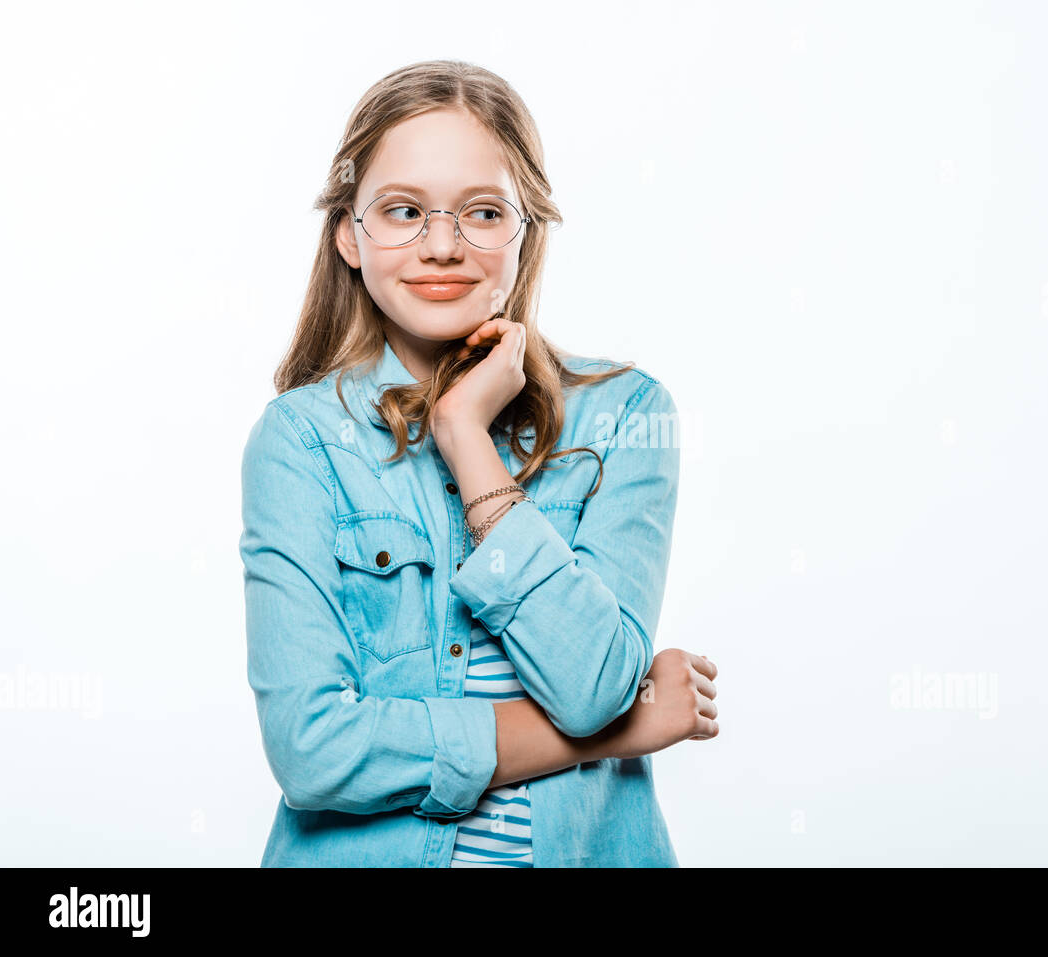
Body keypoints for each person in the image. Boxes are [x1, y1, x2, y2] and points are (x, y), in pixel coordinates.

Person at [238, 59, 719, 868]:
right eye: (403, 211)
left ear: (525, 231)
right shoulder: (301, 440)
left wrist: (465, 436)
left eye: (482, 212)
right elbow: (312, 750)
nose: (441, 246)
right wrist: (625, 730)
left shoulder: (625, 416)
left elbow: (594, 682)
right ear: (350, 237)